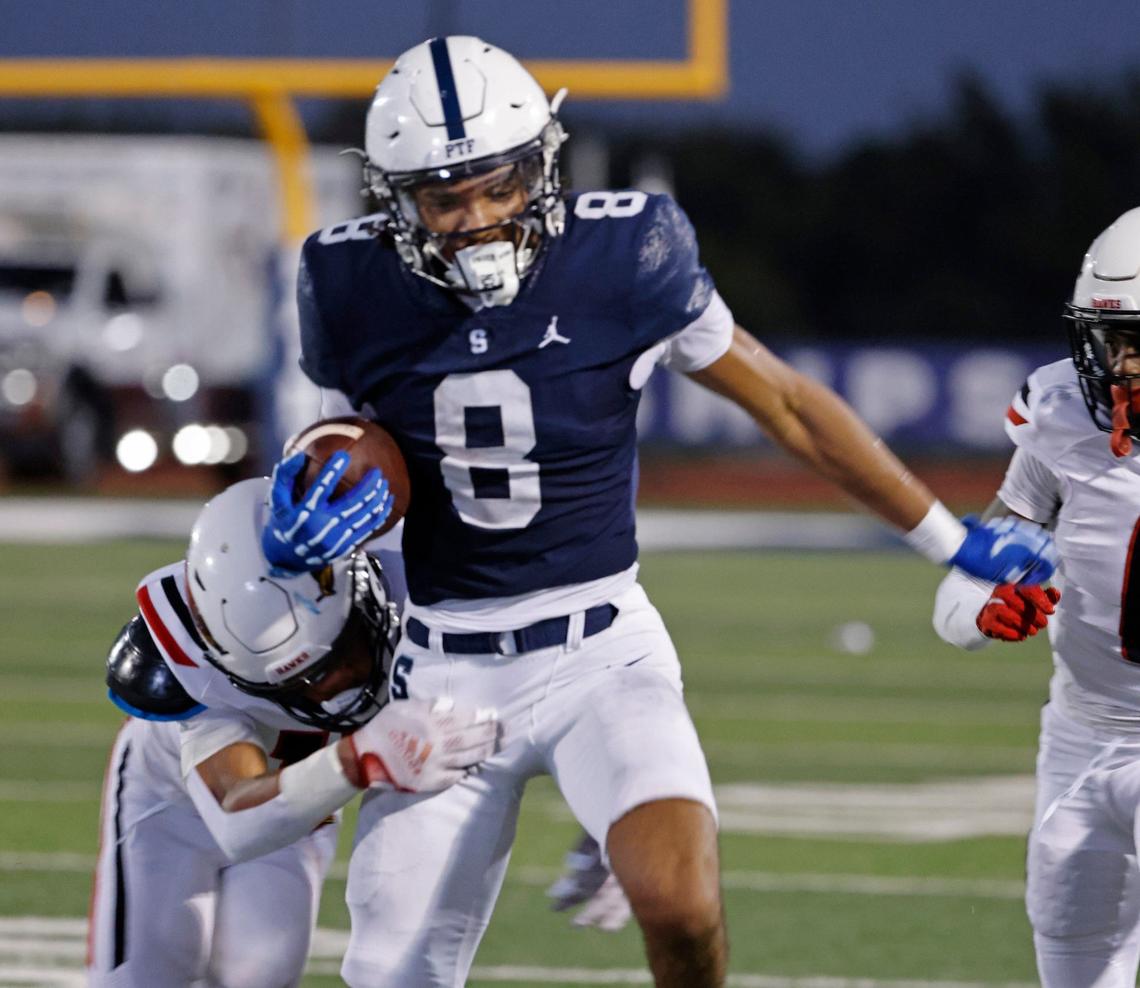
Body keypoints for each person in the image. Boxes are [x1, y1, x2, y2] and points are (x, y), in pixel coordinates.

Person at [273, 36, 1058, 987]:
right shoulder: (346, 283)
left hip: (599, 654)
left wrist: (947, 538)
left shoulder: (625, 254)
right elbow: (337, 441)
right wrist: (311, 488)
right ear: (397, 203)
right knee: (391, 975)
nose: (479, 218)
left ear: (544, 167)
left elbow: (789, 405)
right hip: (436, 664)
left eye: (500, 185)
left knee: (682, 909)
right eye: (446, 197)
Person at [87, 475, 499, 987]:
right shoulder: (197, 667)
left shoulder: (416, 579)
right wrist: (357, 759)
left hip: (299, 810)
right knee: (143, 976)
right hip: (174, 803)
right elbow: (238, 815)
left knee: (259, 970)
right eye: (304, 680)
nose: (335, 688)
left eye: (343, 650)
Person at [931, 206, 1140, 988]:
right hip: (1080, 735)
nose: (1120, 368)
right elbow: (969, 586)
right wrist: (984, 610)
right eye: (1113, 342)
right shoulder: (1060, 418)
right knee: (1071, 952)